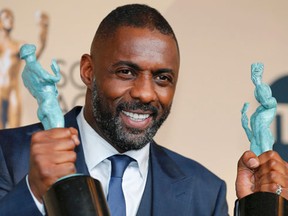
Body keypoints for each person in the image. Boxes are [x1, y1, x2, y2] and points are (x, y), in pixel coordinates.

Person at [0, 4, 287, 216]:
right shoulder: (8, 155)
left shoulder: (204, 191)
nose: (146, 93)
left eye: (163, 78)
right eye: (126, 72)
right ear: (88, 71)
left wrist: (259, 208)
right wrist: (34, 194)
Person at [0, 8, 49, 129]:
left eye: (12, 17)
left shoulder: (17, 45)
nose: (10, 19)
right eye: (6, 17)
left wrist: (43, 29)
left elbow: (36, 51)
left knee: (14, 129)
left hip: (12, 90)